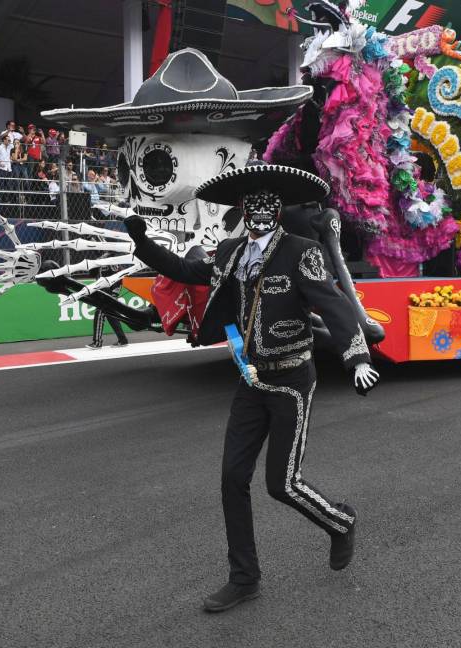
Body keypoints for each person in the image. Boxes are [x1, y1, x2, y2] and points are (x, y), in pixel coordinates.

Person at [124, 163, 378, 613]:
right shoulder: (229, 252)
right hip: (251, 379)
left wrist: (356, 357)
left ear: (277, 210)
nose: (260, 211)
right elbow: (186, 270)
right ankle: (244, 577)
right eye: (252, 205)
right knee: (232, 479)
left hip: (292, 381)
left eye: (268, 204)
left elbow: (333, 304)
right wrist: (143, 244)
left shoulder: (301, 251)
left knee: (283, 484)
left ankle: (339, 522)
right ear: (243, 210)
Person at [86, 271, 128, 349]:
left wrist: (114, 294)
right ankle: (123, 340)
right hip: (103, 291)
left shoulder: (111, 265)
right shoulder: (98, 265)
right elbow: (92, 274)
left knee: (100, 312)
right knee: (111, 315)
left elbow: (119, 275)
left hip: (110, 292)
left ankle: (97, 342)